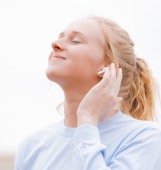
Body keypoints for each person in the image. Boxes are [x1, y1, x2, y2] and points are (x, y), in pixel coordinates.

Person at [14, 16, 161, 170]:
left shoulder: (145, 138)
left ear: (108, 67)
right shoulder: (32, 146)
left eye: (75, 40)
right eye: (60, 38)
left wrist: (87, 120)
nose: (55, 44)